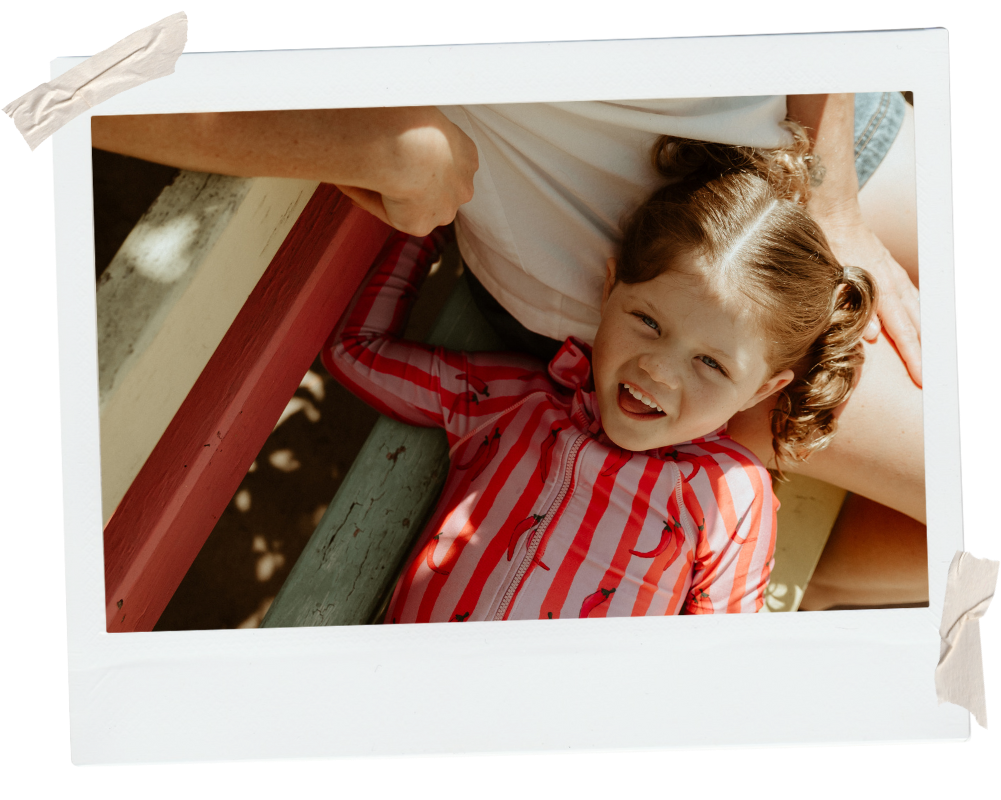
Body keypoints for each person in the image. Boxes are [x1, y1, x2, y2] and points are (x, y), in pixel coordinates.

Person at [92, 91, 926, 608]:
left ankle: (817, 588)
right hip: (656, 293)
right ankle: (822, 585)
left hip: (802, 151)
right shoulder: (667, 382)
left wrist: (836, 193)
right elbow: (66, 87)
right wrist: (376, 148)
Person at [321, 128, 876, 621]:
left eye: (710, 362)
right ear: (609, 290)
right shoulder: (508, 401)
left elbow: (715, 672)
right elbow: (356, 353)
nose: (656, 368)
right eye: (647, 320)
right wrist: (434, 222)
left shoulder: (730, 494)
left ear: (762, 390)